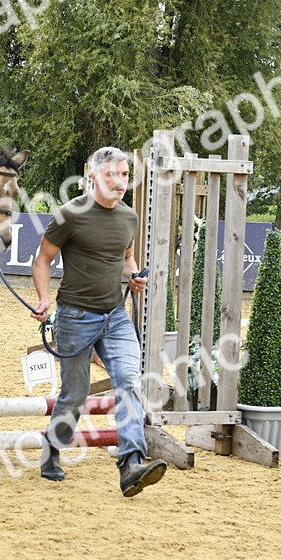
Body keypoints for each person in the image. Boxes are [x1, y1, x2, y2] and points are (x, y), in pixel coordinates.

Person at [29, 146, 166, 498]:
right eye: (112, 175)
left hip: (116, 316)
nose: (120, 182)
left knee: (129, 381)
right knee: (74, 395)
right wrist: (44, 299)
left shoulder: (129, 218)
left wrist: (134, 277)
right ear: (93, 176)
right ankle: (53, 447)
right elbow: (42, 260)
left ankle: (131, 462)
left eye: (124, 175)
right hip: (74, 316)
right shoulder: (70, 215)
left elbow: (127, 259)